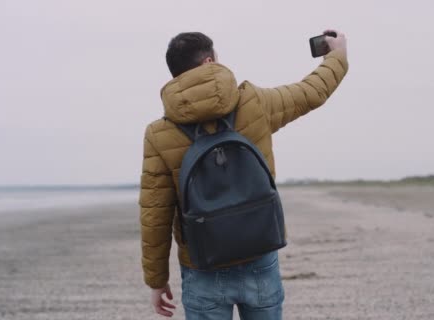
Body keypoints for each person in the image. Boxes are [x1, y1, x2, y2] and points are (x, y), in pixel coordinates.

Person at [139, 29, 348, 319]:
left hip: (202, 265)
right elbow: (312, 91)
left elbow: (155, 215)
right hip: (259, 251)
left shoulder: (158, 134)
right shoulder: (254, 104)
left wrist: (157, 281)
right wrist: (336, 55)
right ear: (209, 61)